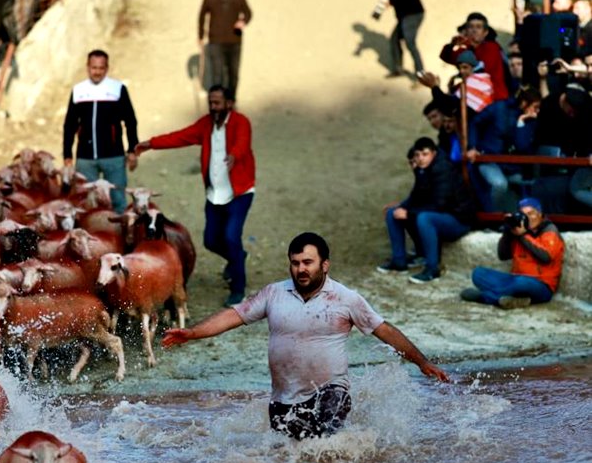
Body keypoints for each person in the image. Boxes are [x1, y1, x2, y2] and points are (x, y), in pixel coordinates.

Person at [162, 232, 449, 441]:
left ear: (325, 265)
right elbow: (234, 315)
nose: (301, 269)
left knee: (325, 447)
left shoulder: (345, 298)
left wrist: (421, 362)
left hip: (331, 392)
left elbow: (383, 329)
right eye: (296, 262)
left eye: (308, 262)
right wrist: (193, 333)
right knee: (292, 459)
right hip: (284, 398)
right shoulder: (273, 293)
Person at [136, 84, 255, 306]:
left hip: (239, 192)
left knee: (231, 237)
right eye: (211, 102)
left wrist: (234, 156)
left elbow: (243, 143)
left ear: (229, 103)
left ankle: (238, 290)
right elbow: (180, 137)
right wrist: (151, 144)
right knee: (210, 240)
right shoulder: (206, 125)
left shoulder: (241, 122)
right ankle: (237, 257)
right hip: (215, 193)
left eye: (217, 103)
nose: (213, 107)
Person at [376, 137, 475, 283]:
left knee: (423, 218)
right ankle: (399, 261)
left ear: (433, 153)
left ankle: (432, 269)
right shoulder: (424, 170)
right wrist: (401, 207)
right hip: (440, 215)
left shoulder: (443, 169)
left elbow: (440, 204)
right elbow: (416, 197)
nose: (420, 158)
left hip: (458, 220)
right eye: (417, 155)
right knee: (393, 213)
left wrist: (409, 213)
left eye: (425, 154)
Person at [62, 49, 138, 214]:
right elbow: (70, 124)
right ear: (87, 67)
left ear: (107, 68)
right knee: (85, 203)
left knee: (118, 201)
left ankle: (120, 237)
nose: (97, 72)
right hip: (85, 158)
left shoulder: (117, 89)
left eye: (101, 68)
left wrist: (133, 149)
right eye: (94, 67)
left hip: (114, 156)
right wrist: (67, 154)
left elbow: (130, 121)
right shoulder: (78, 91)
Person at [461, 198, 565, 308]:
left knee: (520, 283)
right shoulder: (519, 230)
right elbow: (503, 255)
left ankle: (486, 297)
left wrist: (523, 235)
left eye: (531, 213)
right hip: (516, 279)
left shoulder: (549, 230)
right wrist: (507, 231)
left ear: (540, 214)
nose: (528, 218)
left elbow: (545, 257)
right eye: (524, 214)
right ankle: (517, 298)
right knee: (478, 273)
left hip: (541, 285)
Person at [198, 0, 251, 97]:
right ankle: (219, 103)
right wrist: (201, 35)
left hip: (235, 42)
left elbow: (248, 13)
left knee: (233, 74)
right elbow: (202, 15)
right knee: (218, 75)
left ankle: (231, 100)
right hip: (215, 41)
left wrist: (243, 21)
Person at [372, 0, 425, 77]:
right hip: (405, 17)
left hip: (412, 15)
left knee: (410, 44)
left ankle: (422, 75)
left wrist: (388, 1)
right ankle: (398, 70)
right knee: (394, 40)